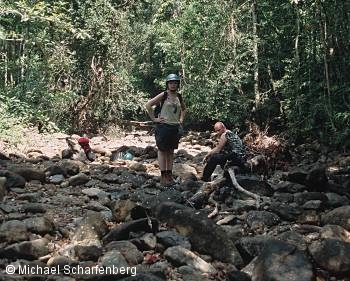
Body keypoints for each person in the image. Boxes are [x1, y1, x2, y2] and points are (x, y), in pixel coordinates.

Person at [145, 74, 186, 186]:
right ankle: (163, 176)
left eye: (175, 83)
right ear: (167, 84)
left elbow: (184, 109)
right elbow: (148, 105)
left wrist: (181, 120)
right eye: (171, 83)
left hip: (174, 127)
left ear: (178, 84)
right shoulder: (163, 95)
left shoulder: (179, 96)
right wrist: (154, 119)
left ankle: (169, 175)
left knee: (171, 151)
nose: (173, 85)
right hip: (163, 127)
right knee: (162, 151)